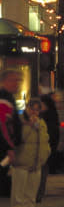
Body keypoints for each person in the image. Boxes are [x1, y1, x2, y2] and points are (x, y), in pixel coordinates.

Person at [12, 99, 50, 207]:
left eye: (37, 110)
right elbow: (19, 139)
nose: (34, 112)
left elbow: (45, 140)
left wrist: (45, 155)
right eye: (32, 109)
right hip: (21, 163)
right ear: (27, 108)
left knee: (31, 197)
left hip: (36, 164)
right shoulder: (20, 121)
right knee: (18, 198)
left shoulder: (41, 123)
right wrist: (30, 126)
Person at [0, 69, 23, 197]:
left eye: (18, 80)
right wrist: (9, 147)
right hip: (3, 149)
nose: (17, 83)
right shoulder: (4, 99)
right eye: (13, 80)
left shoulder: (8, 98)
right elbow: (3, 125)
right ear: (5, 81)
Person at [36, 94, 59, 202]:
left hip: (45, 149)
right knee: (41, 173)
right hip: (46, 149)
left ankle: (38, 195)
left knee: (41, 173)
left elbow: (51, 135)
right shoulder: (49, 115)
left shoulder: (46, 118)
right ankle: (38, 194)